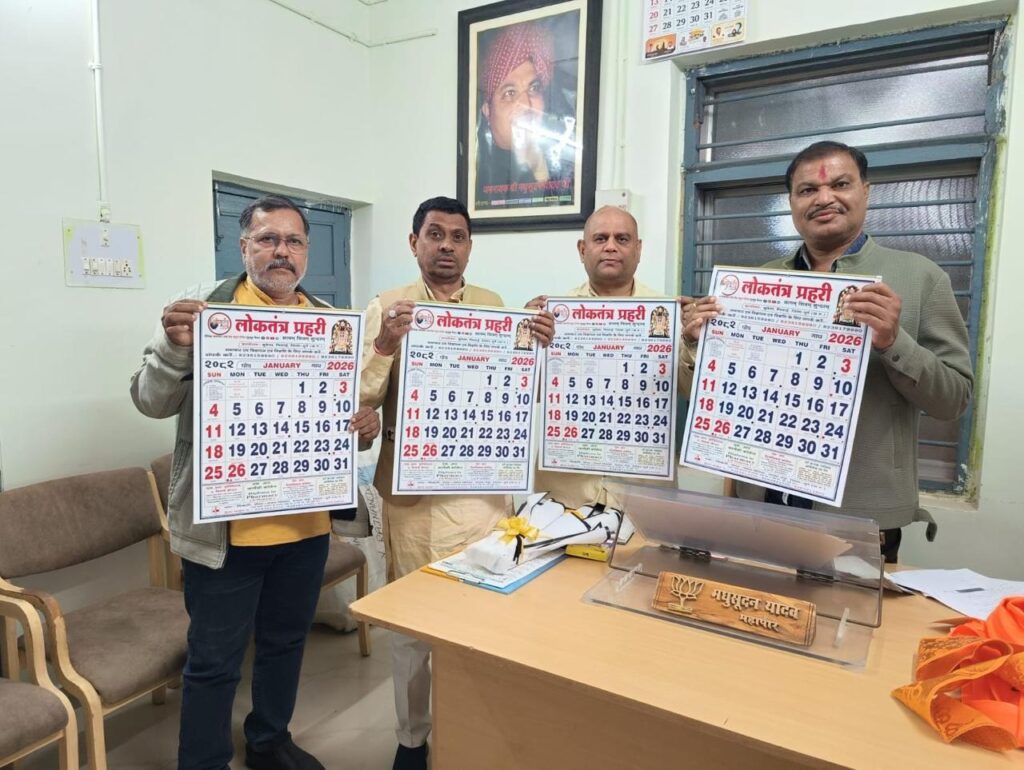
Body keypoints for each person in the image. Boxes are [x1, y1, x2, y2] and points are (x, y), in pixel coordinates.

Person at [130, 195, 380, 770]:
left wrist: (362, 426)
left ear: (307, 252)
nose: (281, 252)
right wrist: (173, 350)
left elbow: (339, 417)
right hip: (227, 534)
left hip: (306, 526)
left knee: (285, 644)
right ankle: (203, 760)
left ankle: (269, 741)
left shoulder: (330, 323)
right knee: (214, 659)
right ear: (243, 248)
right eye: (267, 239)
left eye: (293, 241)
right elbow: (149, 401)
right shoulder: (204, 313)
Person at [680, 141, 973, 562]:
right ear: (792, 202)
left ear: (865, 192)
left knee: (847, 607)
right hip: (763, 507)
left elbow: (954, 400)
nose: (824, 198)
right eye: (808, 190)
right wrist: (698, 343)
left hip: (859, 519)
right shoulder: (756, 284)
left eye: (840, 184)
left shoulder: (920, 277)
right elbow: (715, 395)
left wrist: (895, 342)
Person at [359, 196, 554, 770]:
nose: (447, 245)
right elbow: (359, 396)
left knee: (482, 619)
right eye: (435, 234)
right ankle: (411, 741)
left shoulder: (495, 307)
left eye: (458, 236)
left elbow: (518, 393)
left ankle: (474, 731)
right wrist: (385, 346)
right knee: (414, 628)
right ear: (414, 242)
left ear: (470, 246)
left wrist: (540, 345)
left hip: (483, 493)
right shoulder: (387, 307)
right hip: (414, 497)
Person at [528, 206, 663, 510]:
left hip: (643, 496)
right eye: (601, 238)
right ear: (582, 249)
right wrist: (522, 344)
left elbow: (687, 388)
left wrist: (692, 341)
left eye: (622, 239)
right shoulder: (548, 317)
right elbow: (522, 394)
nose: (611, 246)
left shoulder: (666, 314)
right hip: (563, 495)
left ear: (638, 249)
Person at [474, 20, 576, 210]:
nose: (526, 105)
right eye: (510, 93)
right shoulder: (479, 176)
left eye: (534, 88)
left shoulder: (566, 164)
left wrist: (538, 167)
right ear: (487, 110)